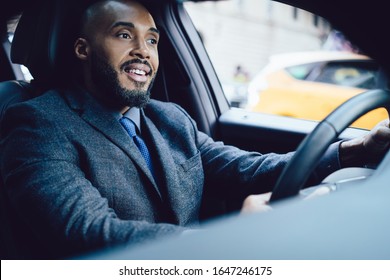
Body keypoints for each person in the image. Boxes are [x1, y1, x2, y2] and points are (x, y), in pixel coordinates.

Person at [1, 0, 389, 259]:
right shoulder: (36, 123)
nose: (143, 50)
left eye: (151, 39)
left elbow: (245, 168)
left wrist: (357, 151)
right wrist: (226, 241)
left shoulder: (168, 118)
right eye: (124, 35)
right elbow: (87, 231)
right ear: (83, 49)